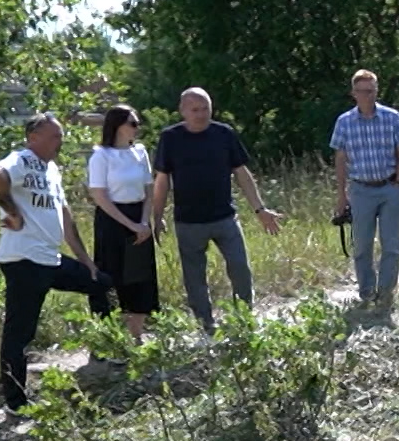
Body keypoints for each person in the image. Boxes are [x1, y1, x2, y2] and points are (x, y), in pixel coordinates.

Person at [0, 112, 113, 413]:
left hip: (49, 258)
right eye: (54, 135)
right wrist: (11, 211)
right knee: (20, 333)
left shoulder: (52, 169)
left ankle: (104, 348)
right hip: (24, 259)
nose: (60, 141)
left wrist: (86, 261)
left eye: (61, 135)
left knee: (100, 283)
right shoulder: (21, 159)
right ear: (33, 137)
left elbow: (65, 218)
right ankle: (16, 403)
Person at [149, 87, 283, 333]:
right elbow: (162, 180)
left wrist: (260, 209)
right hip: (188, 221)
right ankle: (205, 323)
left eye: (205, 109)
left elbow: (242, 173)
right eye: (195, 109)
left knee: (240, 268)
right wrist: (156, 218)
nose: (200, 114)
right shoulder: (171, 138)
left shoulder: (224, 134)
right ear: (183, 111)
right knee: (194, 278)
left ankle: (243, 320)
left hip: (225, 217)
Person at [330, 69, 399, 309]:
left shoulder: (392, 117)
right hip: (360, 189)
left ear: (376, 92)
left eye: (370, 91)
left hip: (388, 187)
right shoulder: (344, 122)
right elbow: (340, 158)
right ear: (353, 93)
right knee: (362, 245)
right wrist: (341, 195)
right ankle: (366, 292)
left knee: (391, 244)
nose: (366, 96)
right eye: (361, 91)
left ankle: (385, 294)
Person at [86, 105, 158, 342]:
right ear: (117, 126)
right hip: (112, 218)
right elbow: (99, 196)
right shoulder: (101, 155)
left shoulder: (140, 152)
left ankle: (136, 336)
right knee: (110, 275)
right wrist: (129, 224)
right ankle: (108, 338)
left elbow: (149, 190)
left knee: (139, 276)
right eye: (133, 124)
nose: (137, 129)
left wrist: (144, 222)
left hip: (139, 215)